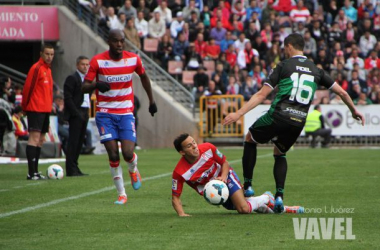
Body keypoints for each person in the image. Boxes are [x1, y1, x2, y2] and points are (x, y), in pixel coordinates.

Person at [223, 33, 365, 213]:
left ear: (289, 46)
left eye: (284, 47)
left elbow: (261, 94)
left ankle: (248, 185)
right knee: (280, 152)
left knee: (250, 138)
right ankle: (280, 196)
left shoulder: (283, 65)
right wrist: (354, 111)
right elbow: (343, 93)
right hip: (298, 121)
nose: (283, 50)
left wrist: (239, 113)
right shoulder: (316, 70)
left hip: (279, 114)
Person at [82, 29, 157, 205]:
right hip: (105, 114)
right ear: (109, 41)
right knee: (113, 154)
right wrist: (96, 84)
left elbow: (144, 77)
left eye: (122, 41)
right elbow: (83, 87)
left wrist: (151, 101)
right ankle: (122, 194)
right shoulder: (98, 61)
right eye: (116, 41)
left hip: (125, 113)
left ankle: (133, 169)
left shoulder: (133, 59)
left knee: (128, 153)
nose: (120, 44)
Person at [171, 133, 275, 217]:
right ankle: (282, 208)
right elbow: (175, 197)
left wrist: (223, 177)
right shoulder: (179, 172)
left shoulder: (208, 148)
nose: (194, 146)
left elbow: (225, 163)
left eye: (194, 142)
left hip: (226, 176)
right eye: (189, 146)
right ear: (182, 152)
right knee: (242, 204)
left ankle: (266, 197)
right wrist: (181, 214)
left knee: (244, 209)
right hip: (214, 193)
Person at [22, 44, 55, 180]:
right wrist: (25, 107)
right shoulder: (36, 68)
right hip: (35, 109)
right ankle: (31, 173)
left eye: (52, 54)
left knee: (41, 140)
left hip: (45, 110)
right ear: (41, 54)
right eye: (47, 54)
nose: (49, 57)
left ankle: (35, 171)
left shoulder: (48, 70)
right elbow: (28, 89)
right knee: (34, 139)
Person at [63, 56, 91, 177]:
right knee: (73, 141)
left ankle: (75, 166)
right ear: (77, 65)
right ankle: (70, 168)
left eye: (87, 64)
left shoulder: (88, 79)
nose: (85, 67)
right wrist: (75, 113)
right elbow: (68, 97)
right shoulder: (72, 78)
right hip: (77, 112)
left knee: (80, 141)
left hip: (85, 111)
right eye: (83, 64)